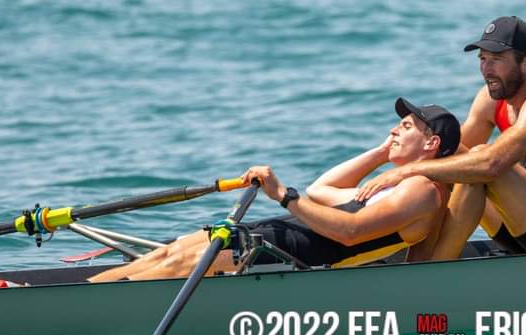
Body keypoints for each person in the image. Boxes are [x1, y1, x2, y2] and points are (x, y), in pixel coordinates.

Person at [88, 99, 460, 281]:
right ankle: (85, 290)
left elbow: (349, 232)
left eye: (406, 127)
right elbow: (321, 189)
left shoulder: (422, 191)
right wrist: (382, 153)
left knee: (176, 263)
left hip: (295, 253)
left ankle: (78, 304)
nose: (394, 130)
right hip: (281, 233)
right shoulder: (391, 184)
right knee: (174, 249)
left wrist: (283, 194)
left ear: (431, 144)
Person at [354, 16, 526, 259]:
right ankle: (411, 256)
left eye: (496, 59)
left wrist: (404, 172)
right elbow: (446, 153)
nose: (486, 69)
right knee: (445, 161)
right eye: (482, 59)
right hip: (524, 224)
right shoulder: (489, 100)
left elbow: (491, 165)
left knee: (478, 161)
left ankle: (434, 273)